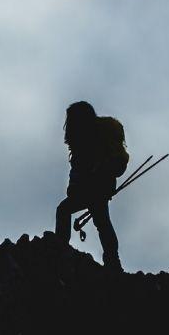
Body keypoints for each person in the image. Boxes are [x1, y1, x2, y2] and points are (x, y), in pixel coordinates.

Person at [54, 101, 126, 271]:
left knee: (65, 211)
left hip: (92, 188)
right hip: (99, 188)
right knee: (102, 221)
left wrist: (74, 189)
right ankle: (113, 261)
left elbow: (80, 169)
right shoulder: (93, 137)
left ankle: (60, 249)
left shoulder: (85, 140)